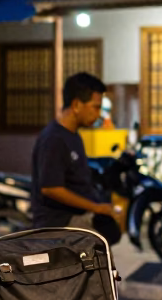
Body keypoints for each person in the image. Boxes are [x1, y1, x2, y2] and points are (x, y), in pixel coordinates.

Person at [31, 71, 121, 240]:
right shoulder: (54, 138)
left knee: (111, 232)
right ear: (77, 105)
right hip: (60, 222)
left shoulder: (73, 135)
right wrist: (95, 207)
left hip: (76, 216)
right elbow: (51, 188)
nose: (99, 113)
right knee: (101, 244)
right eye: (96, 106)